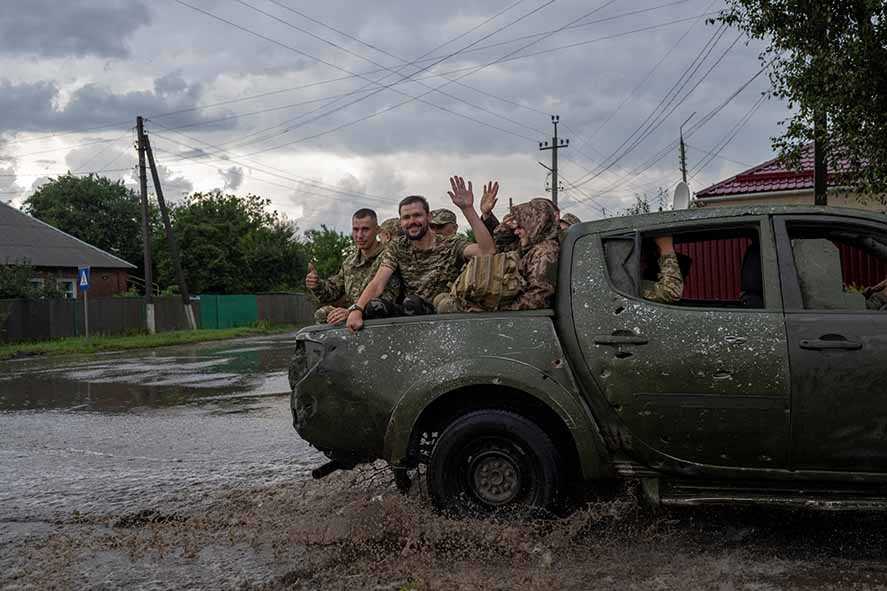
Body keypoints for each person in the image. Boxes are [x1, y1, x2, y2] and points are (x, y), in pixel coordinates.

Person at [345, 176, 496, 332]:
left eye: (417, 215)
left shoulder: (450, 243)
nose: (412, 221)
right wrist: (356, 309)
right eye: (406, 218)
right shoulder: (398, 246)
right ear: (401, 222)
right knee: (375, 307)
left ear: (428, 217)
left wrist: (468, 209)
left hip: (443, 319)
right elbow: (378, 283)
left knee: (413, 302)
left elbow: (487, 251)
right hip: (409, 316)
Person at [436, 198, 560, 312]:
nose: (516, 232)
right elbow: (500, 242)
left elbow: (538, 298)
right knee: (441, 298)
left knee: (445, 306)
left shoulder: (545, 251)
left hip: (516, 314)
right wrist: (506, 225)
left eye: (520, 227)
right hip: (503, 301)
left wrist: (496, 310)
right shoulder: (529, 246)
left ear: (535, 226)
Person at [307, 208, 402, 324]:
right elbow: (333, 291)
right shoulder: (350, 262)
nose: (359, 235)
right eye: (355, 230)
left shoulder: (389, 255)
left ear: (377, 230)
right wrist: (316, 284)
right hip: (354, 315)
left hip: (383, 318)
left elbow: (383, 295)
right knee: (324, 314)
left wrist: (351, 311)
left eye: (365, 229)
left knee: (374, 307)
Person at [641, 236, 684, 304]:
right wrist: (665, 246)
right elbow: (670, 293)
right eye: (642, 261)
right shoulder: (627, 286)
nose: (645, 266)